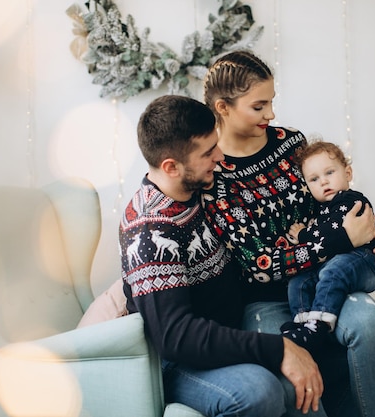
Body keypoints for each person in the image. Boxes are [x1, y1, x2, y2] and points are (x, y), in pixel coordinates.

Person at [202, 50, 375, 417]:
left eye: (271, 102)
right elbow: (258, 265)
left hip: (324, 281)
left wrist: (371, 230)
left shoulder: (291, 143)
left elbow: (327, 205)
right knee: (293, 376)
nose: (270, 114)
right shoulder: (214, 173)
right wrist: (342, 240)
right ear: (223, 107)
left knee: (368, 322)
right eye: (258, 106)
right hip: (265, 300)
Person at [119, 94, 326, 417]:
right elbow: (175, 337)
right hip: (179, 361)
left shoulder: (200, 189)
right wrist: (278, 348)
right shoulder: (149, 230)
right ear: (171, 167)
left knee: (303, 374)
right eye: (208, 153)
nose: (220, 156)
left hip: (230, 329)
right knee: (259, 391)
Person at [279, 140, 375, 353]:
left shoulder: (350, 201)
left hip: (364, 262)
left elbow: (331, 234)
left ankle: (319, 325)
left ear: (348, 173)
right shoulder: (321, 210)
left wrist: (303, 234)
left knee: (334, 269)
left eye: (329, 173)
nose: (324, 182)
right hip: (335, 265)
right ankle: (302, 323)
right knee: (299, 280)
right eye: (314, 179)